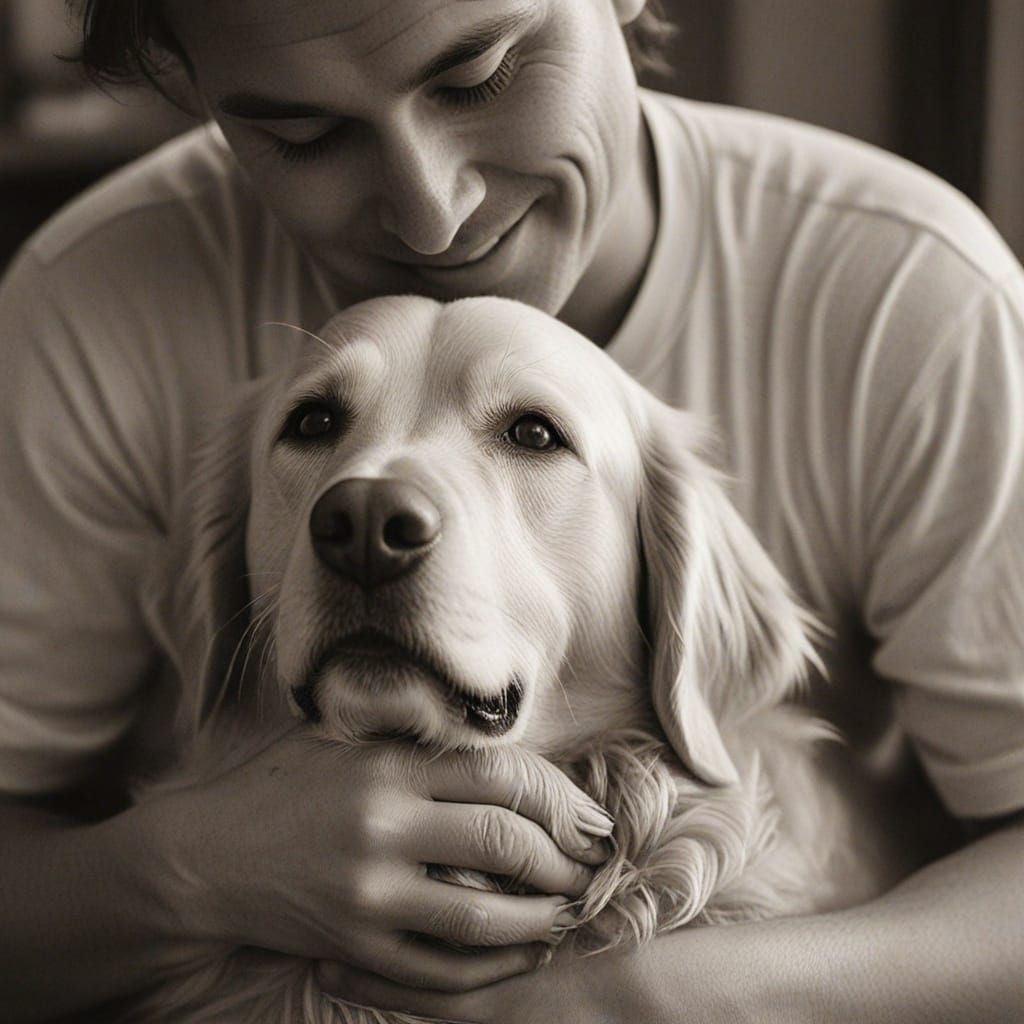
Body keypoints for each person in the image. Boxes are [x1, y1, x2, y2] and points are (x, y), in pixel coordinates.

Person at [1, 1, 1022, 1020]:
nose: (430, 210)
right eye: (302, 135)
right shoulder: (85, 309)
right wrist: (196, 872)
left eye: (479, 76)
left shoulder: (916, 293)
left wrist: (638, 999)